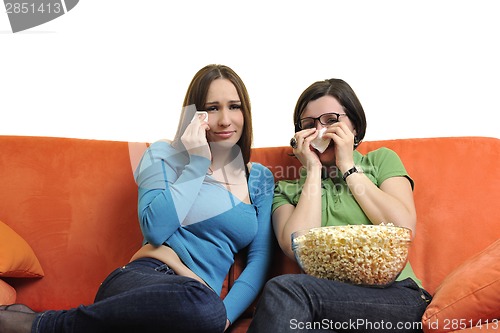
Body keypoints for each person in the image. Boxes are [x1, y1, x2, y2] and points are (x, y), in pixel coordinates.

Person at [0, 64, 274, 333]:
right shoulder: (164, 154)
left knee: (206, 310)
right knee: (203, 307)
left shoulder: (258, 178)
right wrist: (198, 162)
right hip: (143, 278)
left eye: (234, 106)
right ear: (195, 116)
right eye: (212, 108)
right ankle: (42, 325)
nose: (225, 119)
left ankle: (36, 322)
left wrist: (222, 318)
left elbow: (259, 259)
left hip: (193, 302)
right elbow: (156, 229)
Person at [247, 78, 432, 333]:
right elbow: (296, 247)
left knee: (283, 289)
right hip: (325, 306)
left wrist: (347, 166)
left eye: (331, 120)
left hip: (397, 297)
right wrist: (313, 170)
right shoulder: (286, 189)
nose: (320, 131)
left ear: (354, 125)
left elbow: (402, 228)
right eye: (309, 125)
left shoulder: (381, 161)